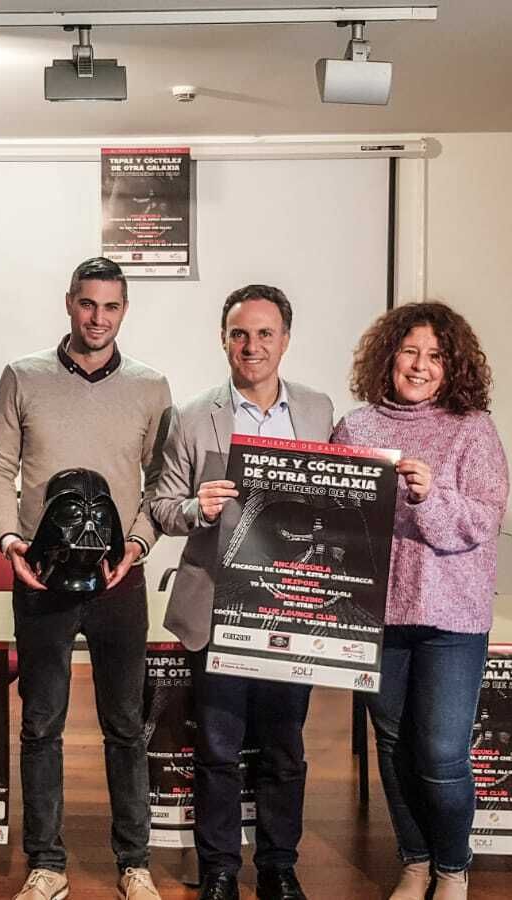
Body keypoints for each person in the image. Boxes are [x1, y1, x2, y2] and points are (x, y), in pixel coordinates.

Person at [0, 256, 171, 900]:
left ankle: (134, 861)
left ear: (125, 310)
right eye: (88, 304)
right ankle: (47, 863)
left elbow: (162, 483)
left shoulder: (150, 386)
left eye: (111, 306)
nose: (98, 318)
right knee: (42, 723)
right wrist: (9, 540)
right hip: (40, 576)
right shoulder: (23, 375)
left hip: (119, 577)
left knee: (124, 723)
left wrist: (139, 544)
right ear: (69, 303)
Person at [150, 285, 335, 900]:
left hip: (291, 603)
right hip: (218, 606)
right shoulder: (192, 413)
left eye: (264, 334)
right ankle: (220, 870)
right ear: (223, 338)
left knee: (285, 747)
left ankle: (279, 866)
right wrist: (195, 508)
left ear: (285, 339)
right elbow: (161, 503)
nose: (250, 347)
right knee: (219, 749)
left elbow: (339, 502)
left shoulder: (317, 409)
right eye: (239, 334)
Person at [331, 302, 508, 900]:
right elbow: (335, 520)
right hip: (376, 615)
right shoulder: (354, 429)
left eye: (436, 355)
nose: (421, 365)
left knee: (440, 751)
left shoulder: (472, 428)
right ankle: (414, 858)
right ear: (389, 357)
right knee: (391, 742)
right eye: (410, 351)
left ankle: (453, 867)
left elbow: (483, 521)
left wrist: (431, 495)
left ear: (453, 365)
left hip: (450, 617)